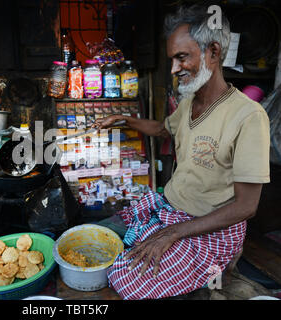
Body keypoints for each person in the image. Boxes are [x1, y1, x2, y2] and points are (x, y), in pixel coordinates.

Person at [92, 4, 270, 300]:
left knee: (124, 280)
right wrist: (124, 120)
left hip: (209, 232)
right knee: (99, 240)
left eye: (181, 57)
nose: (174, 69)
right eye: (172, 59)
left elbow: (245, 207)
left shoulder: (248, 117)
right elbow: (165, 129)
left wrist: (172, 233)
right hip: (169, 209)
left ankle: (215, 274)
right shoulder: (189, 101)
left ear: (213, 53)